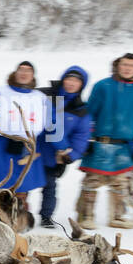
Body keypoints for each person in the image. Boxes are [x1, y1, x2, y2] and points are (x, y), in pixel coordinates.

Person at [78, 53, 133, 230]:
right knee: (91, 182)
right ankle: (85, 215)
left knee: (120, 184)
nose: (127, 68)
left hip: (124, 146)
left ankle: (117, 216)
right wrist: (88, 139)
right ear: (118, 65)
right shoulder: (103, 86)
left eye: (132, 65)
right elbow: (90, 113)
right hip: (101, 142)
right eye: (124, 64)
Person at [0, 60, 50, 206]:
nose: (24, 73)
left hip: (27, 147)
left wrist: (62, 148)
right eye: (21, 70)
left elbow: (53, 122)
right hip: (1, 146)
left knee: (22, 187)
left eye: (28, 71)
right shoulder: (1, 93)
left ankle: (19, 218)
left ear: (33, 75)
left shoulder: (40, 97)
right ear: (15, 73)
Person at [37, 66, 93, 228]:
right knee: (22, 185)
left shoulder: (81, 110)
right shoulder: (44, 94)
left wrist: (71, 154)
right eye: (69, 78)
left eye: (76, 81)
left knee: (50, 187)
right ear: (63, 79)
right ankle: (17, 212)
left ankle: (46, 216)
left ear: (81, 85)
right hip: (32, 149)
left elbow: (81, 136)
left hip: (54, 155)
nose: (71, 83)